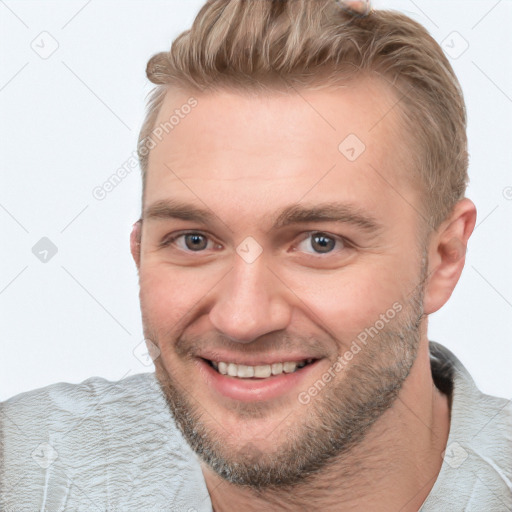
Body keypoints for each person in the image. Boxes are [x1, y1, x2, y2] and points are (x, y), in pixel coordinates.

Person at [1, 0, 511, 510]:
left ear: (444, 257)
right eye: (194, 240)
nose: (242, 319)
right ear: (139, 252)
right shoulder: (25, 469)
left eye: (320, 243)